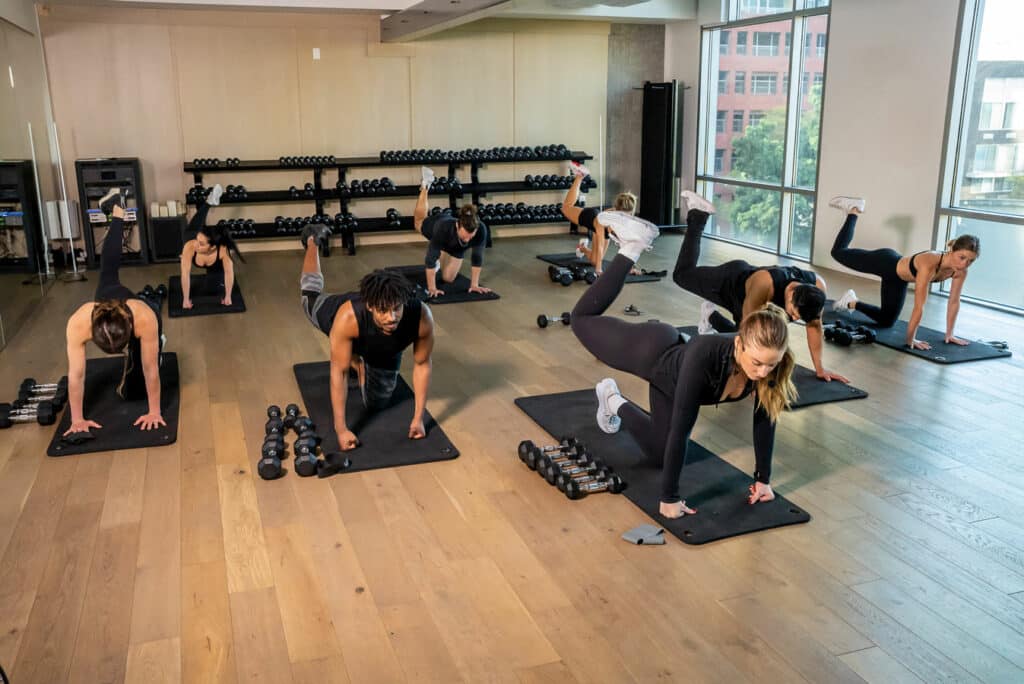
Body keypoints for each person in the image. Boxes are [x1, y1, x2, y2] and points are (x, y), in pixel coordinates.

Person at [569, 216, 796, 519]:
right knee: (581, 320)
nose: (763, 372)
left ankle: (611, 399)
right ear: (739, 345)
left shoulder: (770, 363)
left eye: (772, 364)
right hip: (652, 351)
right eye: (757, 363)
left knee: (660, 456)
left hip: (669, 380)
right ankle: (632, 248)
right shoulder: (704, 356)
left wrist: (763, 480)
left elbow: (765, 421)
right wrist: (669, 498)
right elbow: (682, 427)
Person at [673, 191, 847, 383]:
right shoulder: (765, 285)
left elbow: (814, 326)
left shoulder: (817, 287)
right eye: (795, 314)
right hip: (731, 283)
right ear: (790, 295)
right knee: (682, 275)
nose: (795, 319)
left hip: (754, 299)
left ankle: (710, 316)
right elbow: (746, 330)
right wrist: (748, 379)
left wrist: (820, 369)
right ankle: (699, 214)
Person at [298, 223, 435, 450]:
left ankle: (361, 363)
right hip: (339, 316)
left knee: (378, 403)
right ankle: (312, 239)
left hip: (383, 345)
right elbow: (339, 373)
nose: (391, 317)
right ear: (371, 306)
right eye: (383, 310)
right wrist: (341, 429)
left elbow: (422, 364)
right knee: (308, 297)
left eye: (396, 309)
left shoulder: (420, 316)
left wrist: (418, 418)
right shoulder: (346, 318)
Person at [65, 188, 166, 435]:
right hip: (108, 296)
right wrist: (76, 419)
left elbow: (150, 370)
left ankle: (157, 340)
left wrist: (155, 411)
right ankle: (118, 211)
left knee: (141, 376)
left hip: (137, 306)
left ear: (130, 329)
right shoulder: (79, 322)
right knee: (108, 269)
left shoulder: (143, 318)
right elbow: (76, 375)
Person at [828, 196, 980, 350]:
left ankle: (850, 302)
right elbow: (919, 306)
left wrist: (950, 334)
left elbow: (954, 302)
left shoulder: (960, 272)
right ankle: (854, 210)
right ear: (952, 250)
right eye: (962, 257)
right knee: (838, 252)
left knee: (887, 321)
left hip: (897, 280)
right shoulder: (930, 262)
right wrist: (910, 340)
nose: (964, 264)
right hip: (886, 262)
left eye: (970, 261)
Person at [412, 167, 490, 298]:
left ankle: (444, 252)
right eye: (465, 236)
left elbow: (477, 257)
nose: (467, 240)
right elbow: (430, 259)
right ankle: (426, 185)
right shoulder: (442, 228)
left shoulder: (481, 229)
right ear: (458, 226)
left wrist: (474, 284)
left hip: (454, 246)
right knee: (418, 222)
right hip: (435, 225)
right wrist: (432, 288)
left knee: (448, 278)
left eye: (471, 237)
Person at [559, 162, 641, 276]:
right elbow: (601, 243)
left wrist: (631, 268)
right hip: (590, 217)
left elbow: (628, 246)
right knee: (566, 208)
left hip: (602, 231)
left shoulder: (627, 221)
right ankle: (579, 176)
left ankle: (582, 247)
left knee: (593, 260)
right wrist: (598, 269)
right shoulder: (604, 219)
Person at [179, 184, 245, 308]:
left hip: (214, 261)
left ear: (213, 247)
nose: (196, 245)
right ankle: (209, 201)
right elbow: (185, 274)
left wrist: (228, 296)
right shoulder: (191, 244)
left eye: (201, 244)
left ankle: (210, 202)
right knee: (197, 222)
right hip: (191, 234)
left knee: (213, 288)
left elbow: (229, 272)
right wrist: (185, 299)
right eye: (198, 241)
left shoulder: (222, 250)